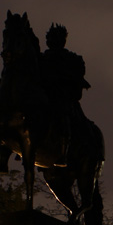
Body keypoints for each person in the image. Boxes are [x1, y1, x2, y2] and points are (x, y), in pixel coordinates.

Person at [40, 24, 90, 167]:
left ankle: (64, 153)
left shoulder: (73, 59)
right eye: (49, 38)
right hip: (44, 97)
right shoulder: (41, 58)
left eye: (54, 38)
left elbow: (77, 78)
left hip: (62, 98)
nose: (50, 41)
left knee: (62, 117)